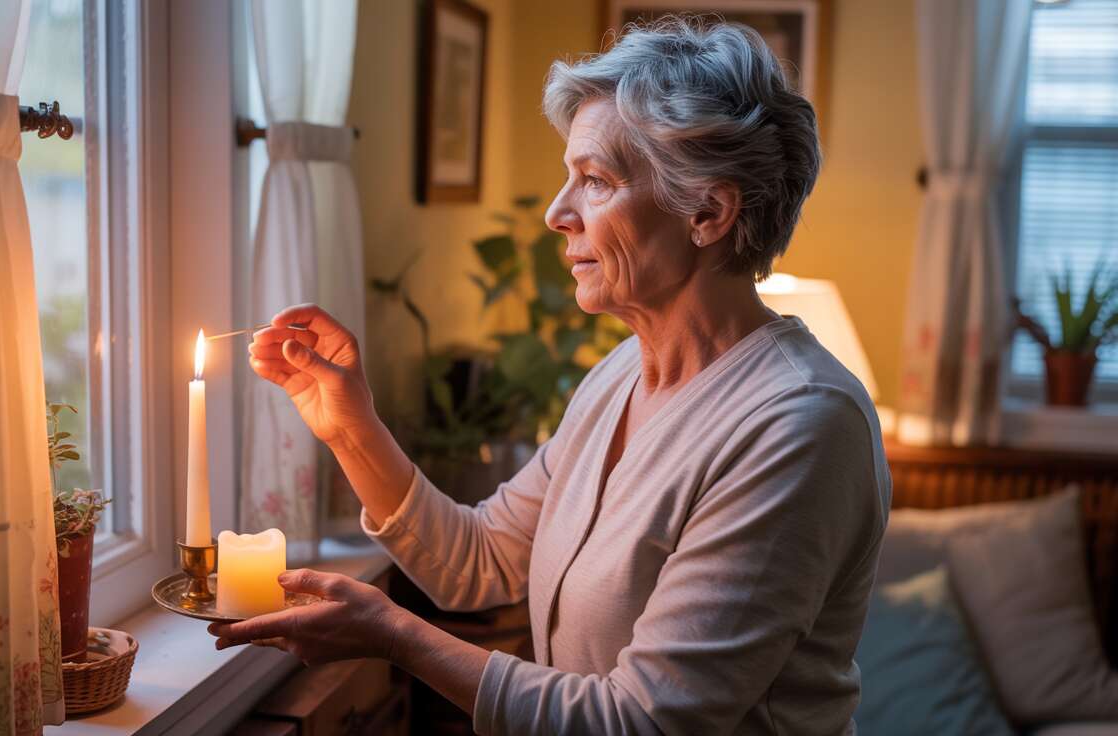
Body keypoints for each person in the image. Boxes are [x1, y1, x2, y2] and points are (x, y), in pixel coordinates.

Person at [210, 18, 890, 735]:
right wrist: (352, 427)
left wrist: (395, 637)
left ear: (709, 212)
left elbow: (644, 722)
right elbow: (479, 561)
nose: (555, 213)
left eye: (595, 180)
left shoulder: (800, 424)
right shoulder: (621, 374)